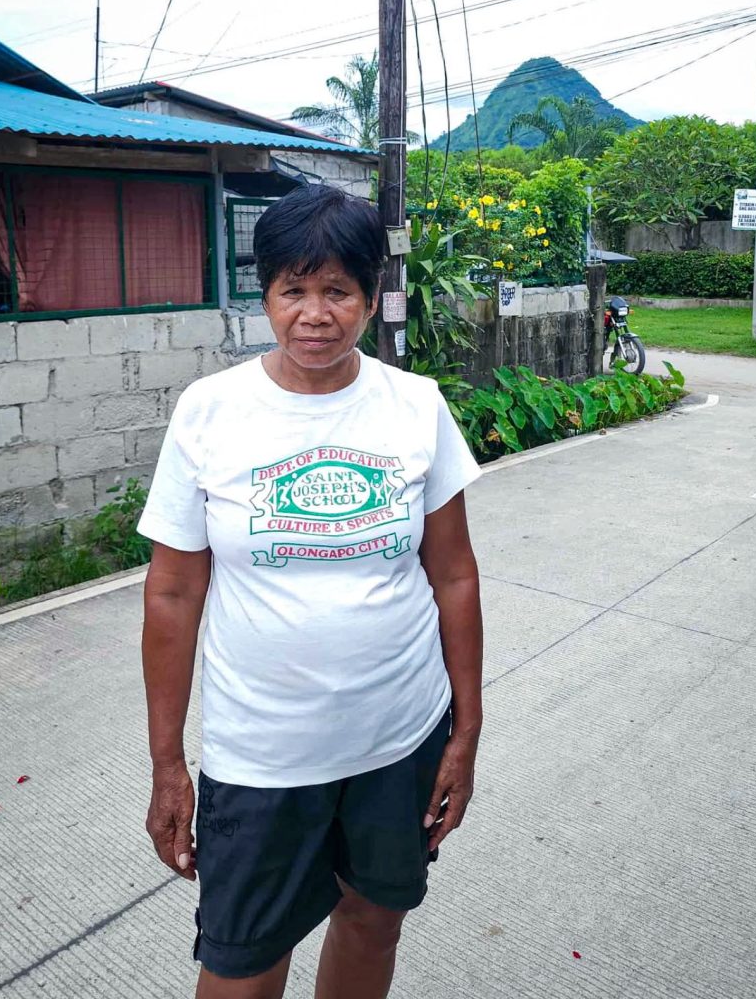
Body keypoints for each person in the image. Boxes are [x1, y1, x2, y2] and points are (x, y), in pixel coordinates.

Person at [138, 183, 483, 999]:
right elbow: (173, 596)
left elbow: (455, 574)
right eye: (294, 289)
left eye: (338, 291)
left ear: (370, 296)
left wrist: (465, 730)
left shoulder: (416, 407)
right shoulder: (209, 412)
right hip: (261, 754)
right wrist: (165, 764)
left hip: (399, 739)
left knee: (373, 917)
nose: (315, 314)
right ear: (266, 295)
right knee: (242, 961)